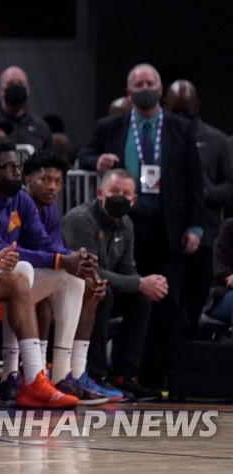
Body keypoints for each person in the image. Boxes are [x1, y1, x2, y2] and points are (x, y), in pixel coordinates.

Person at [77, 63, 205, 387]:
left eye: (149, 82)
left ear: (160, 89)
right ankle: (120, 370)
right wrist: (98, 162)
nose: (144, 87)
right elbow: (84, 155)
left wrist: (195, 227)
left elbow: (194, 182)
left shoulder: (181, 128)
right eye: (138, 83)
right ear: (128, 91)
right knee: (125, 294)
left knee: (166, 299)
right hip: (123, 226)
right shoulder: (111, 125)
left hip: (168, 227)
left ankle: (159, 375)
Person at [0, 138, 84, 408]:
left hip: (3, 284)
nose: (16, 171)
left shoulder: (19, 197)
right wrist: (58, 258)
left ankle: (59, 375)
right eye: (8, 166)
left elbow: (42, 241)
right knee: (22, 268)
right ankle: (12, 375)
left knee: (73, 277)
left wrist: (71, 257)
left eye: (18, 165)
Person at [62, 169, 164, 401]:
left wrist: (141, 285)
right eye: (114, 191)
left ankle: (125, 376)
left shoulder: (126, 223)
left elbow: (127, 268)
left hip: (102, 286)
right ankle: (96, 374)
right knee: (102, 293)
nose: (120, 197)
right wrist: (139, 282)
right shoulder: (81, 219)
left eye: (125, 193)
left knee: (141, 299)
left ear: (134, 199)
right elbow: (88, 270)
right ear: (100, 193)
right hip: (71, 289)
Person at [22, 150, 113, 405]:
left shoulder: (49, 209)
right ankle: (39, 373)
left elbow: (55, 247)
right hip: (13, 278)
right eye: (45, 179)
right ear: (28, 179)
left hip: (35, 276)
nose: (52, 186)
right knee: (64, 279)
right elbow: (35, 249)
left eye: (57, 181)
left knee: (88, 282)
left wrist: (79, 258)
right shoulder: (20, 202)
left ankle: (72, 373)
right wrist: (66, 259)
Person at [165, 79, 233, 329]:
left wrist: (197, 195)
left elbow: (230, 187)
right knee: (168, 300)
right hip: (168, 234)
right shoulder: (161, 138)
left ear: (197, 107)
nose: (182, 117)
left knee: (196, 298)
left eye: (187, 111)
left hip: (206, 234)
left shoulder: (217, 141)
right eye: (176, 112)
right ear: (165, 106)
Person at [0, 66, 52, 151]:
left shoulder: (41, 127)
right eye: (10, 84)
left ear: (28, 89)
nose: (16, 88)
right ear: (1, 89)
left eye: (21, 84)